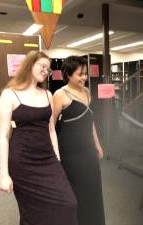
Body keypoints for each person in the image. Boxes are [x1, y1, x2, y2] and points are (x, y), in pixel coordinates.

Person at [0, 51, 78, 225]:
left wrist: (57, 157)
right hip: (22, 162)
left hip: (48, 159)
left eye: (48, 69)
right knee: (32, 213)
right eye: (42, 66)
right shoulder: (10, 94)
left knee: (69, 204)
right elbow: (2, 137)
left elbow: (51, 131)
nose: (46, 71)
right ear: (29, 65)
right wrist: (3, 174)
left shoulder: (47, 95)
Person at [53, 56, 105, 225]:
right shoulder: (59, 95)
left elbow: (90, 121)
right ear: (67, 74)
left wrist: (97, 144)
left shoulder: (87, 92)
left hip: (88, 149)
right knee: (76, 192)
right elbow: (50, 127)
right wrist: (53, 153)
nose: (84, 77)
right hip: (70, 153)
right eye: (80, 74)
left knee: (93, 189)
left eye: (85, 74)